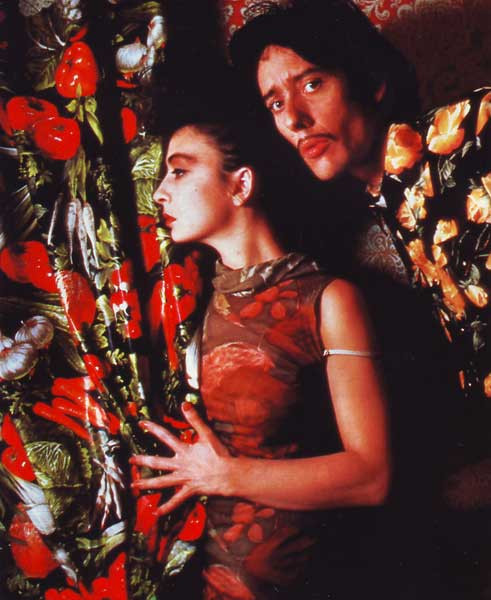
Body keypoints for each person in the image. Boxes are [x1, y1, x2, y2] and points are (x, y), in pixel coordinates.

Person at [229, 1, 491, 597]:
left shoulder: (471, 132)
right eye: (275, 103)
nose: (295, 119)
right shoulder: (369, 222)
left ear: (371, 82)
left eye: (312, 84)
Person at [130, 99, 391, 599]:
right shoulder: (185, 302)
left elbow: (371, 476)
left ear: (241, 184)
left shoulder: (327, 300)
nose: (160, 192)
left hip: (296, 581)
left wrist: (224, 475)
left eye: (180, 171)